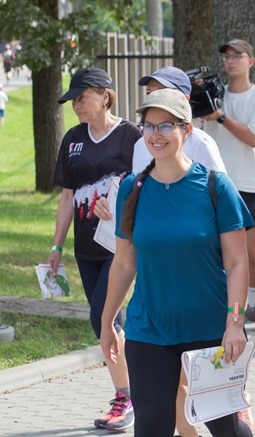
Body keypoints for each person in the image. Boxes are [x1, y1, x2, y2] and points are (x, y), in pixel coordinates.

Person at [99, 88, 254, 437]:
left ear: (188, 130)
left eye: (166, 126)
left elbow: (237, 263)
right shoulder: (132, 189)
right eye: (149, 126)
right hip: (148, 330)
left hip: (209, 330)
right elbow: (124, 263)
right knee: (152, 427)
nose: (155, 135)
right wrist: (108, 321)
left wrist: (234, 323)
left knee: (226, 428)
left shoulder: (216, 187)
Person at [45, 67, 141, 432]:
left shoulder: (131, 136)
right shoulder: (72, 139)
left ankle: (125, 397)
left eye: (82, 97)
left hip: (121, 247)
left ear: (105, 94)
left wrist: (118, 208)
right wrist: (56, 245)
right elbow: (67, 196)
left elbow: (146, 186)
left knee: (104, 316)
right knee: (106, 320)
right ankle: (140, 385)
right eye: (72, 100)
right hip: (85, 249)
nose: (76, 105)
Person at [201, 39, 255, 331]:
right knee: (217, 252)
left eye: (237, 56)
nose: (231, 61)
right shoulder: (213, 97)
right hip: (215, 183)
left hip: (249, 182)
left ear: (251, 61)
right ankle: (232, 310)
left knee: (252, 253)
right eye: (227, 57)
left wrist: (220, 117)